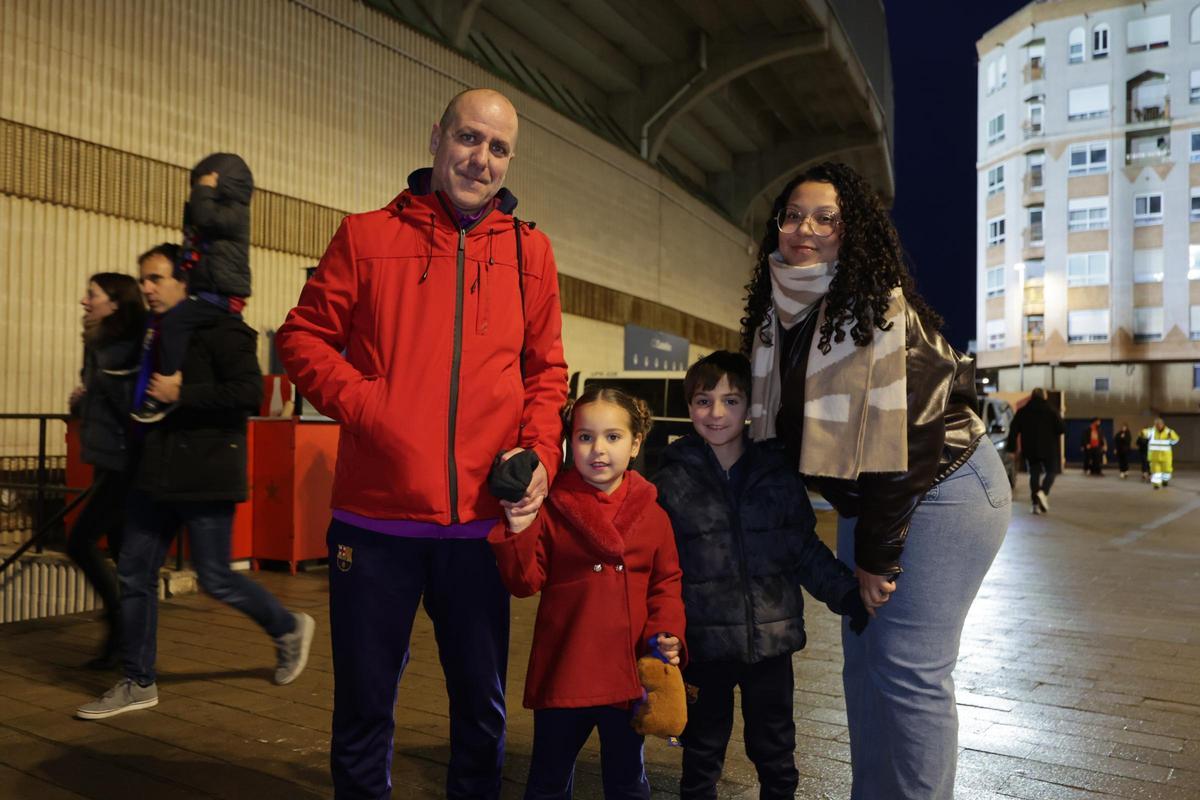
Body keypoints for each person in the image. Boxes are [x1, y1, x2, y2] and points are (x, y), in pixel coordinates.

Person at [275, 88, 569, 799]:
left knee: (481, 708)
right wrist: (371, 406)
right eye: (469, 138)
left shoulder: (532, 253)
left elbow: (546, 373)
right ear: (437, 137)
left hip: (477, 526)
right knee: (365, 708)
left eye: (499, 147)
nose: (482, 158)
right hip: (375, 524)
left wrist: (538, 456)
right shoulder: (367, 237)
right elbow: (302, 339)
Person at [740, 162, 1010, 799]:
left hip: (941, 488)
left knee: (909, 671)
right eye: (793, 215)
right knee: (863, 667)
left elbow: (910, 443)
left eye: (825, 217)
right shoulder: (782, 317)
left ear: (851, 231)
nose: (804, 228)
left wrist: (877, 560)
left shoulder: (875, 311)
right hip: (877, 500)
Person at [76, 244, 314, 720]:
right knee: (135, 573)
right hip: (153, 470)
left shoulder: (221, 329)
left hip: (205, 472)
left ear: (185, 283)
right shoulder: (153, 333)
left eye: (156, 279)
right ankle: (138, 680)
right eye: (142, 280)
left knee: (216, 578)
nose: (146, 288)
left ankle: (288, 626)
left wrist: (184, 392)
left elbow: (248, 391)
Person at [652, 351, 868, 800]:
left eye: (730, 401)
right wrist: (658, 630)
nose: (715, 413)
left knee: (775, 751)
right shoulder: (670, 478)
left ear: (751, 407)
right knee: (701, 752)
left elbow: (803, 548)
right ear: (689, 406)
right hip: (703, 646)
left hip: (771, 644)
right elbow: (657, 566)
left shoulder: (776, 470)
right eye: (703, 400)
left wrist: (847, 594)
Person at [489, 386, 685, 800]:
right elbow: (524, 583)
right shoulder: (552, 508)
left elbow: (666, 585)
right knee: (547, 779)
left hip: (628, 673)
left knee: (627, 780)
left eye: (613, 437)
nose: (598, 449)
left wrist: (667, 631)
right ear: (568, 442)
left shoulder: (654, 516)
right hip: (566, 668)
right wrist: (520, 528)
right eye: (584, 436)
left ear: (635, 444)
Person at [133, 153, 254, 422]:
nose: (147, 289)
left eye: (156, 280)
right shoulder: (213, 221)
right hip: (211, 289)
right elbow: (196, 231)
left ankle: (169, 380)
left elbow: (205, 217)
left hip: (221, 293)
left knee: (175, 323)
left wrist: (203, 189)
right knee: (175, 323)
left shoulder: (234, 214)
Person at [67, 272, 146, 669]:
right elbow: (97, 404)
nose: (85, 301)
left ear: (115, 303)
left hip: (122, 464)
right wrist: (81, 400)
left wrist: (96, 391)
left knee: (79, 542)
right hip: (105, 459)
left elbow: (127, 407)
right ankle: (127, 644)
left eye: (92, 295)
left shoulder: (122, 347)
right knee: (121, 554)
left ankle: (119, 625)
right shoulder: (97, 343)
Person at [1005, 387, 1065, 514]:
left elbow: (1013, 430)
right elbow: (1061, 428)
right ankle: (1043, 492)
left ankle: (1034, 505)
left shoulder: (1023, 411)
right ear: (1044, 396)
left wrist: (1012, 449)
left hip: (1030, 449)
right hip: (1049, 448)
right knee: (1051, 472)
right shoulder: (1051, 410)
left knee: (1034, 474)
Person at [1145, 418, 1180, 489]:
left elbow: (1176, 440)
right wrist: (1142, 432)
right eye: (1156, 425)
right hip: (1154, 456)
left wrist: (1172, 437)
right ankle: (1156, 485)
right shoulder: (1152, 431)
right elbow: (1144, 433)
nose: (1158, 426)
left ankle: (1165, 480)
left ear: (1162, 424)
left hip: (1166, 456)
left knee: (1167, 470)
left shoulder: (1169, 431)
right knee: (1155, 471)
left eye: (1159, 424)